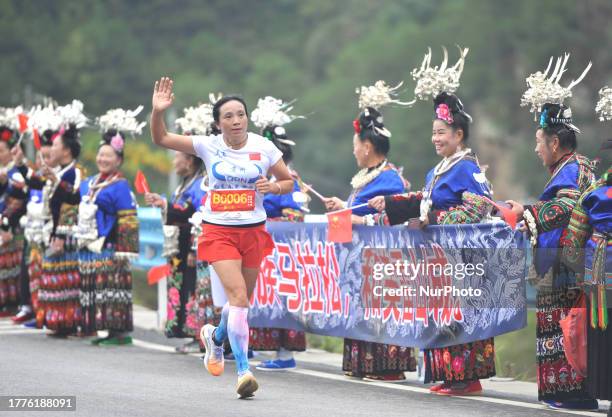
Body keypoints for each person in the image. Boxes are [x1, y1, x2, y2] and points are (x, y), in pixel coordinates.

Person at [150, 77, 294, 399]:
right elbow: (160, 137)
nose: (236, 120)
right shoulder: (206, 145)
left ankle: (215, 338)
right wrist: (158, 111)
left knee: (239, 303)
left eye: (240, 114)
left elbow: (287, 183)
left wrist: (273, 187)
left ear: (247, 118)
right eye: (228, 116)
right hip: (219, 231)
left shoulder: (264, 147)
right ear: (218, 123)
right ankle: (243, 370)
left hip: (254, 231)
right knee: (239, 297)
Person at [368, 48, 496, 396]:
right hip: (436, 258)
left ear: (458, 134)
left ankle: (467, 377)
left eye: (442, 132)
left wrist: (435, 219)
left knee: (459, 314)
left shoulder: (468, 168)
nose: (436, 138)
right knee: (440, 313)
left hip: (461, 259)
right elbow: (425, 201)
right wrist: (393, 205)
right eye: (434, 132)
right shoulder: (437, 170)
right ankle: (448, 374)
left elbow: (479, 208)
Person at [506, 55, 598, 410]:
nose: (536, 147)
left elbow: (565, 208)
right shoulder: (572, 167)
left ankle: (571, 393)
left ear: (555, 144)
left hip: (568, 269)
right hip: (565, 266)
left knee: (567, 327)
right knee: (562, 327)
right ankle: (566, 393)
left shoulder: (572, 170)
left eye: (539, 140)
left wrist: (526, 212)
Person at [324, 81, 415, 382]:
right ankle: (363, 362)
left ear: (366, 146)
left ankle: (387, 366)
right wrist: (342, 207)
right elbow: (359, 210)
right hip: (361, 258)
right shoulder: (367, 178)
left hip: (383, 258)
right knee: (362, 305)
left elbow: (380, 214)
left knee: (382, 306)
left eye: (354, 146)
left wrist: (348, 213)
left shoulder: (389, 180)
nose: (353, 152)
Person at [561, 86, 612, 415]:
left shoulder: (593, 191)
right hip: (601, 276)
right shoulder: (593, 191)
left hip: (599, 278)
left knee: (604, 335)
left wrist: (571, 272)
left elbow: (575, 237)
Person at [249, 96, 310, 371]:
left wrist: (271, 222)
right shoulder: (266, 179)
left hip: (282, 251)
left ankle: (285, 353)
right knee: (265, 297)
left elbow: (296, 215)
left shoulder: (289, 180)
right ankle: (269, 348)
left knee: (283, 298)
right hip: (264, 249)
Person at [145, 102, 211, 353]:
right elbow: (178, 210)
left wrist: (167, 205)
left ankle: (200, 336)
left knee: (195, 288)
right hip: (178, 249)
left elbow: (197, 214)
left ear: (191, 160)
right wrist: (163, 204)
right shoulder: (184, 184)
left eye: (178, 156)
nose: (174, 161)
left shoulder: (200, 184)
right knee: (184, 287)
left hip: (192, 247)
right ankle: (190, 333)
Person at [77, 107, 142, 345]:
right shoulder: (89, 182)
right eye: (100, 155)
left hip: (112, 245)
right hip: (90, 244)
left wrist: (124, 251)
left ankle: (119, 332)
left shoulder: (120, 186)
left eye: (109, 156)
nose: (103, 159)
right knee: (99, 289)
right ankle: (103, 328)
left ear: (119, 160)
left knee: (114, 289)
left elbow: (129, 218)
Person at [32, 100, 87, 335]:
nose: (51, 150)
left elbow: (74, 201)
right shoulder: (59, 171)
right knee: (55, 279)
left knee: (65, 281)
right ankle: (58, 321)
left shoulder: (74, 172)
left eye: (55, 145)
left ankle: (67, 322)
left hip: (65, 236)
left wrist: (61, 234)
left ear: (66, 151)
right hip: (54, 233)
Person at [15, 103, 62, 328]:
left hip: (50, 230)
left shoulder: (63, 175)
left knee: (45, 274)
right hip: (33, 229)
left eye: (48, 156)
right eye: (41, 156)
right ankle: (35, 310)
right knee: (33, 272)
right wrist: (23, 164)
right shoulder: (41, 174)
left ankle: (43, 313)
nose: (44, 161)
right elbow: (30, 181)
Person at [0, 107, 27, 318]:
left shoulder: (15, 172)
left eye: (1, 150)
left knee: (9, 266)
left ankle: (11, 304)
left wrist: (5, 223)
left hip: (10, 225)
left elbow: (17, 200)